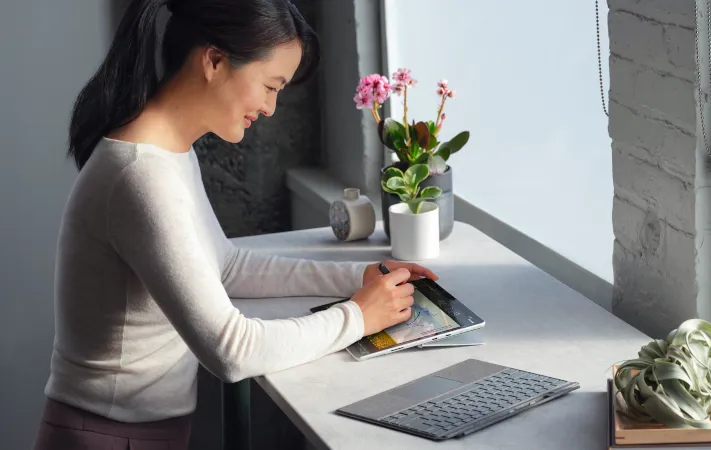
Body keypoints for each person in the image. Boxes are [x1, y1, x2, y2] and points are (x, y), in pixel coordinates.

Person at [32, 1, 438, 448]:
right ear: (214, 60)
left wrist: (355, 279)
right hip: (108, 436)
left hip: (128, 431)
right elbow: (232, 350)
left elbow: (225, 266)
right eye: (269, 86)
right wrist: (358, 316)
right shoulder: (140, 174)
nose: (270, 108)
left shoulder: (166, 151)